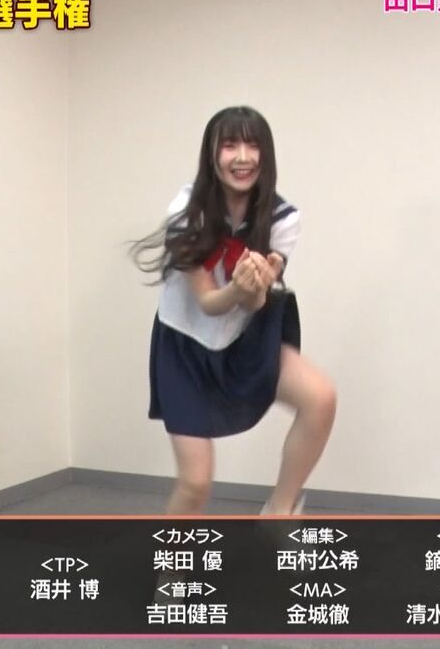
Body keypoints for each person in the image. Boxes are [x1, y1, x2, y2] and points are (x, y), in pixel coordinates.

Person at [130, 106, 337, 516]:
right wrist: (238, 289)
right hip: (185, 346)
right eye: (230, 145)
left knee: (321, 398)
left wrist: (255, 288)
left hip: (243, 339)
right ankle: (172, 556)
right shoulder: (186, 212)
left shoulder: (282, 217)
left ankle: (279, 512)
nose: (242, 157)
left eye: (252, 145)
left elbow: (256, 303)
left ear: (266, 154)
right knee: (195, 484)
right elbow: (209, 302)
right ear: (212, 154)